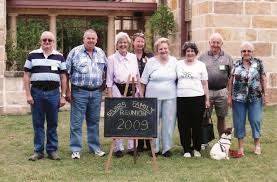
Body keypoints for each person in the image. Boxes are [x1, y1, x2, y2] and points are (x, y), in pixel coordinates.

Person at [23, 31, 67, 161]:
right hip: (37, 93)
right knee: (38, 123)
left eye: (49, 40)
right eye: (44, 40)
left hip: (54, 93)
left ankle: (52, 150)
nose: (47, 42)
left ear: (53, 42)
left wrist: (63, 95)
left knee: (53, 123)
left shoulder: (59, 57)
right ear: (41, 41)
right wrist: (28, 94)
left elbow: (63, 77)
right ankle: (38, 151)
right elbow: (26, 76)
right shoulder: (32, 55)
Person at [66, 29, 107, 159]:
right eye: (88, 38)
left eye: (93, 38)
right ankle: (75, 149)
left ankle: (95, 148)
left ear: (96, 40)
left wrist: (104, 86)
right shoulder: (75, 52)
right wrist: (67, 91)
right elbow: (66, 73)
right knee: (76, 122)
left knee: (94, 121)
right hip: (79, 92)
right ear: (83, 39)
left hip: (96, 93)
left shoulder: (101, 53)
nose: (90, 40)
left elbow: (107, 71)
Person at [228, 41, 267, 157]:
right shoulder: (236, 64)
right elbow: (230, 80)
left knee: (255, 120)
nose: (246, 53)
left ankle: (257, 145)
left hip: (255, 97)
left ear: (252, 52)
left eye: (249, 50)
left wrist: (265, 94)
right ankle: (241, 147)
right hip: (238, 98)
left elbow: (263, 78)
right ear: (241, 52)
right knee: (239, 122)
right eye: (244, 51)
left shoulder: (258, 63)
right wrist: (229, 96)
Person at [140, 37, 177, 157]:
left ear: (169, 49)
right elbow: (143, 82)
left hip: (170, 96)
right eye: (160, 49)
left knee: (169, 122)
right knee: (153, 122)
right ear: (157, 50)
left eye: (165, 48)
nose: (163, 51)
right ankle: (154, 149)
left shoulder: (174, 61)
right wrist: (141, 97)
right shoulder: (150, 62)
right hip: (152, 97)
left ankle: (166, 148)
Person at [106, 32, 140, 158]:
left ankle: (132, 146)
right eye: (120, 42)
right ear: (116, 45)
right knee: (118, 117)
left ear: (128, 44)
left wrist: (138, 91)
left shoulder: (133, 57)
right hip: (117, 89)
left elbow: (137, 75)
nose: (123, 44)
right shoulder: (111, 59)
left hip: (132, 88)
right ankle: (118, 147)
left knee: (132, 116)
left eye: (125, 42)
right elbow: (109, 80)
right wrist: (110, 97)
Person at [199, 33, 233, 146]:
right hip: (206, 91)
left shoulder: (227, 58)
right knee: (205, 117)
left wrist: (229, 95)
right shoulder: (202, 57)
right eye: (213, 42)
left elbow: (231, 77)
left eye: (218, 42)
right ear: (209, 43)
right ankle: (204, 141)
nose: (215, 45)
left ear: (221, 44)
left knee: (221, 117)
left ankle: (221, 140)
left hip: (222, 91)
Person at [176, 42, 209, 158]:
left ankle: (196, 148)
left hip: (197, 98)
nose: (190, 53)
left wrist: (207, 99)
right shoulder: (178, 64)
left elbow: (205, 83)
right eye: (187, 51)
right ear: (184, 53)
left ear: (195, 53)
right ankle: (186, 149)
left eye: (192, 51)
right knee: (183, 125)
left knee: (196, 125)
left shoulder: (201, 65)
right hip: (181, 98)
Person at [132, 32, 154, 152]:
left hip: (149, 89)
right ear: (133, 42)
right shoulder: (130, 56)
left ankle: (149, 143)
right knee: (137, 116)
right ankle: (139, 143)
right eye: (138, 41)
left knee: (148, 116)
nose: (140, 44)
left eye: (142, 41)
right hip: (135, 90)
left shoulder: (150, 56)